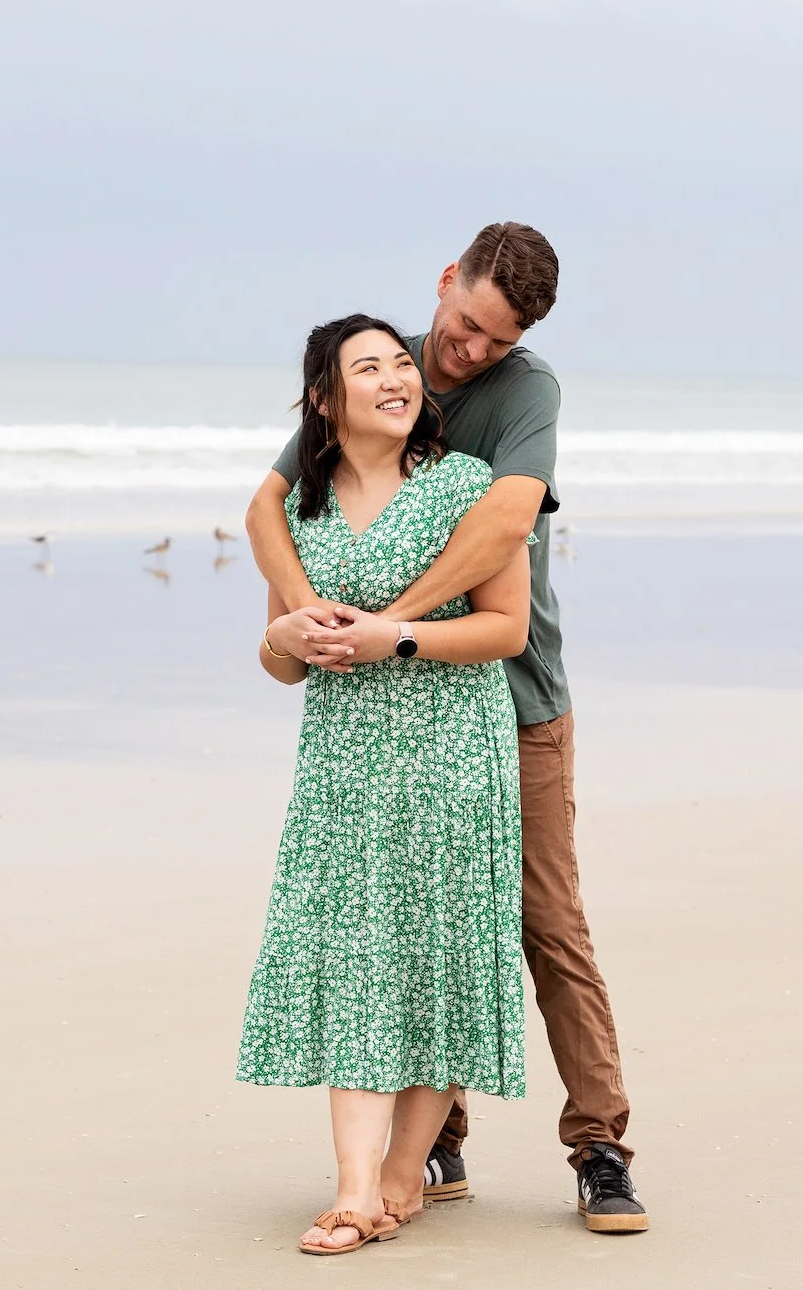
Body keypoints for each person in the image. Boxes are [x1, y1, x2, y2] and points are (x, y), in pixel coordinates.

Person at [244, 223, 648, 1234]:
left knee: (539, 920)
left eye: (493, 341)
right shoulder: (374, 370)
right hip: (383, 709)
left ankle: (597, 1143)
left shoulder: (522, 393)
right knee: (406, 918)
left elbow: (506, 523)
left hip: (514, 701)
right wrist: (308, 617)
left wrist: (396, 625)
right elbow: (267, 505)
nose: (468, 353)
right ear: (444, 285)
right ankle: (430, 1149)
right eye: (463, 327)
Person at [238, 314, 530, 1256]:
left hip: (452, 749)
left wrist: (394, 635)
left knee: (440, 950)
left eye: (403, 362)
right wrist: (285, 638)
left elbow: (505, 630)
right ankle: (355, 1187)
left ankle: (402, 1176)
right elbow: (285, 661)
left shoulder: (463, 488)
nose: (398, 378)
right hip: (345, 762)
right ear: (327, 398)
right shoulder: (300, 514)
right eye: (370, 368)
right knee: (359, 953)